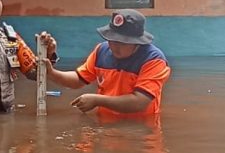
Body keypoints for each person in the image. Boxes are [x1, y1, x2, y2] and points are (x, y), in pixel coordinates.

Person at [41, 9, 171, 119]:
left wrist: (97, 100)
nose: (114, 47)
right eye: (111, 40)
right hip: (106, 122)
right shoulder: (102, 50)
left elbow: (139, 102)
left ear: (137, 42)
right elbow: (78, 79)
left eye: (121, 42)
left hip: (140, 128)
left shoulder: (153, 60)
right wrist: (52, 73)